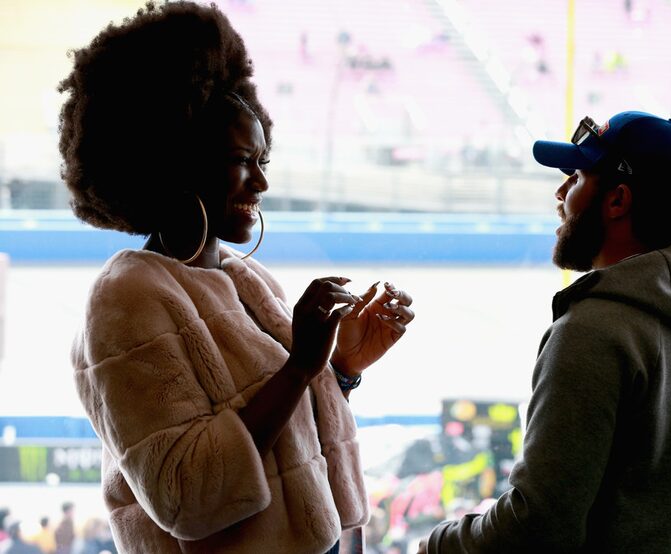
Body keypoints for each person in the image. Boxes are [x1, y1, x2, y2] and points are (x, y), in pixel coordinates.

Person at [58, 2, 414, 553]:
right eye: (242, 160)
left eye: (263, 161)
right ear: (176, 161)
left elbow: (293, 448)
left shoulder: (250, 281)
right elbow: (188, 497)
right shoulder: (124, 301)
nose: (260, 184)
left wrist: (341, 369)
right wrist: (300, 366)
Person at [418, 111, 671, 552]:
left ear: (617, 201)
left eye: (576, 179)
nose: (560, 194)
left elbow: (536, 526)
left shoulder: (594, 333)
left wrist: (437, 546)